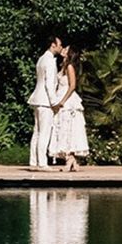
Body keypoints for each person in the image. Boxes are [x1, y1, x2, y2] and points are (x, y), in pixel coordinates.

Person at [49, 44, 89, 172]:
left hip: (68, 100)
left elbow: (72, 85)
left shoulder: (70, 67)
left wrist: (63, 101)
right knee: (63, 128)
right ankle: (72, 161)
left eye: (66, 49)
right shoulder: (62, 66)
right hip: (61, 95)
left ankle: (69, 159)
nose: (63, 50)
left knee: (68, 128)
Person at [28, 34, 63, 169]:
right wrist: (54, 102)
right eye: (59, 45)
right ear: (53, 45)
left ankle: (33, 161)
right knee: (44, 131)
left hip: (37, 99)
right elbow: (49, 84)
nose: (61, 47)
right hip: (45, 101)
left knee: (37, 131)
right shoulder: (49, 60)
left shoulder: (41, 59)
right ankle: (42, 163)